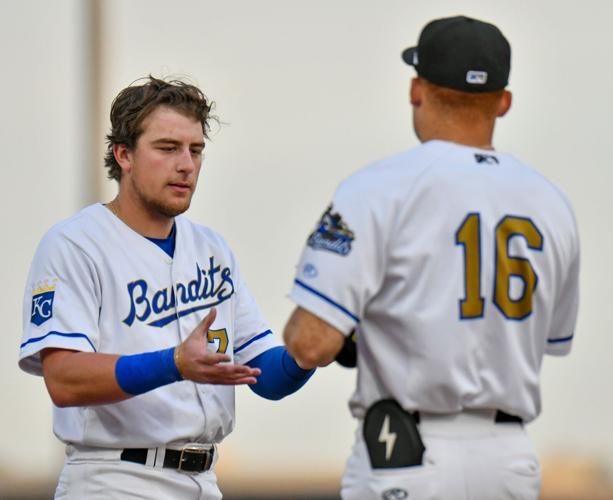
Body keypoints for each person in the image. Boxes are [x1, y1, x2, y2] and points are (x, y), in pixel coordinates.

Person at [284, 15, 579, 500]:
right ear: (503, 102)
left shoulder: (378, 188)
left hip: (406, 452)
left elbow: (310, 344)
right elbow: (549, 338)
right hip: (509, 460)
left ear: (416, 89)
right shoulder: (551, 202)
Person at [19, 76, 314, 500]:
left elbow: (261, 375)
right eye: (167, 148)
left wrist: (309, 352)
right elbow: (64, 380)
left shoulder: (211, 249)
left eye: (195, 150)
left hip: (203, 480)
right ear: (124, 155)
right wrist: (174, 362)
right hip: (114, 479)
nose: (186, 165)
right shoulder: (75, 244)